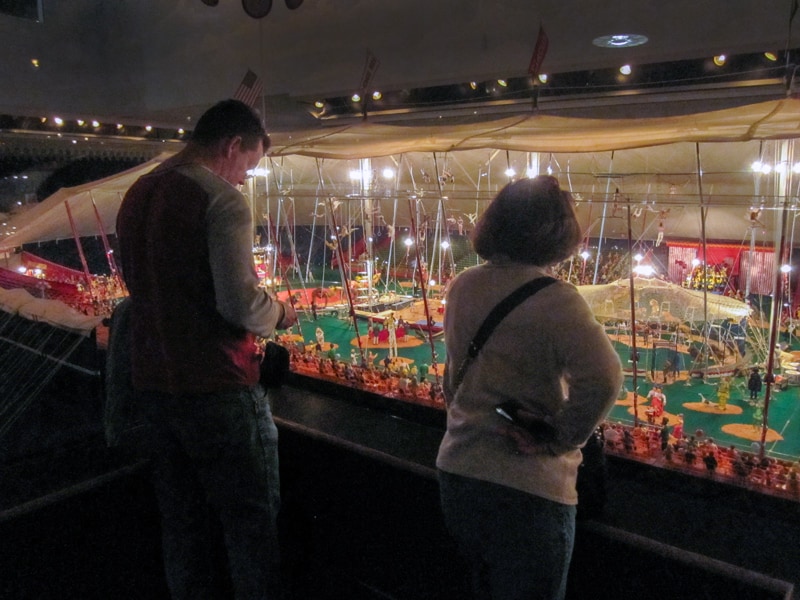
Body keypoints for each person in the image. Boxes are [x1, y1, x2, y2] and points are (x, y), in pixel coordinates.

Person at [116, 99, 298, 600]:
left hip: (153, 385)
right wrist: (280, 313)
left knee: (182, 526)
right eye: (248, 167)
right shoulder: (219, 199)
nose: (244, 180)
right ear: (232, 145)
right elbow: (239, 303)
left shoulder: (138, 191)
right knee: (251, 528)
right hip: (216, 386)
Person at [436, 176, 623, 600]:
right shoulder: (558, 298)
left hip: (459, 472)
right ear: (558, 233)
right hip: (528, 489)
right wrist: (558, 437)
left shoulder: (463, 284)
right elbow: (604, 377)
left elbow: (453, 381)